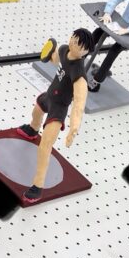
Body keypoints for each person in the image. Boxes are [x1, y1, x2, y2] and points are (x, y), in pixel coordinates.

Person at [17, 29, 94, 202]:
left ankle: (37, 186)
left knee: (45, 146)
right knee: (36, 112)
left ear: (86, 51)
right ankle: (32, 130)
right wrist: (48, 54)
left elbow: (79, 103)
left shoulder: (79, 74)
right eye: (73, 38)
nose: (73, 43)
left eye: (78, 44)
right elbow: (56, 59)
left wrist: (74, 126)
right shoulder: (64, 49)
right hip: (49, 96)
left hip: (59, 109)